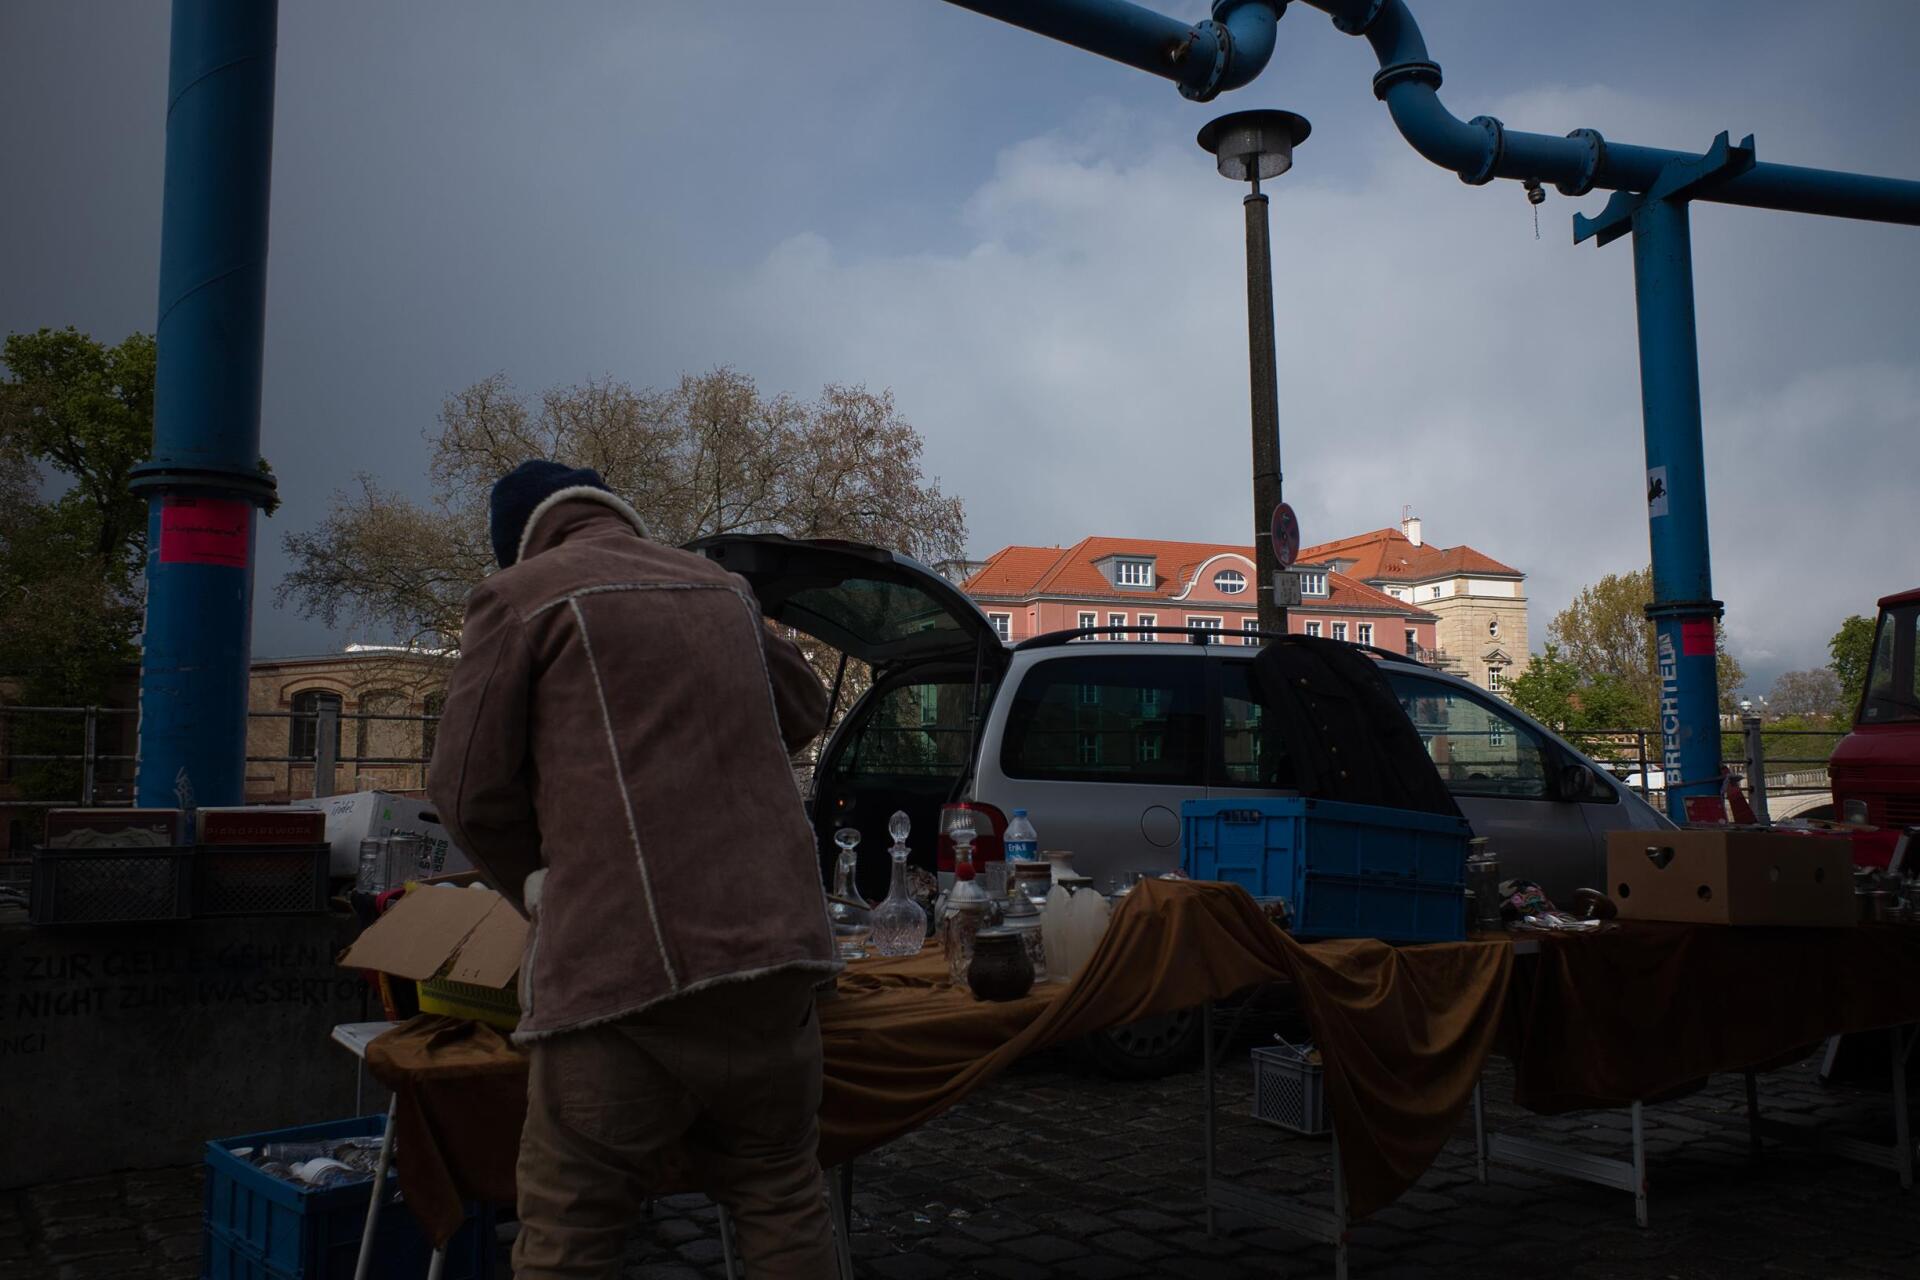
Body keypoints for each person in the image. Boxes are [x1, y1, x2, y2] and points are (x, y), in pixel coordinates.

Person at [428, 460, 840, 1278]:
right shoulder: (719, 587)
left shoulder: (520, 596)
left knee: (571, 1230)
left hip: (624, 972)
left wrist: (539, 878)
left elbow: (464, 788)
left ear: (519, 542)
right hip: (777, 964)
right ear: (612, 512)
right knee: (782, 1196)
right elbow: (801, 709)